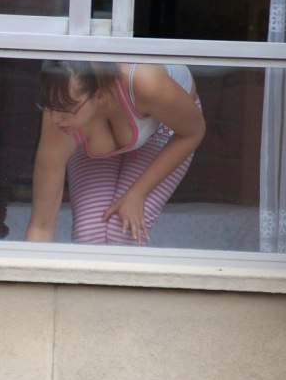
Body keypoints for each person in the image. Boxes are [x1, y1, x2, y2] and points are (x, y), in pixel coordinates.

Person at [24, 60, 205, 245]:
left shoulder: (145, 82)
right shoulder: (59, 118)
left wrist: (137, 193)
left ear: (99, 96)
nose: (55, 119)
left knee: (122, 233)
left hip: (164, 124)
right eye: (49, 106)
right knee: (88, 235)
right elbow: (41, 226)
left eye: (67, 108)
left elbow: (193, 132)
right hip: (93, 130)